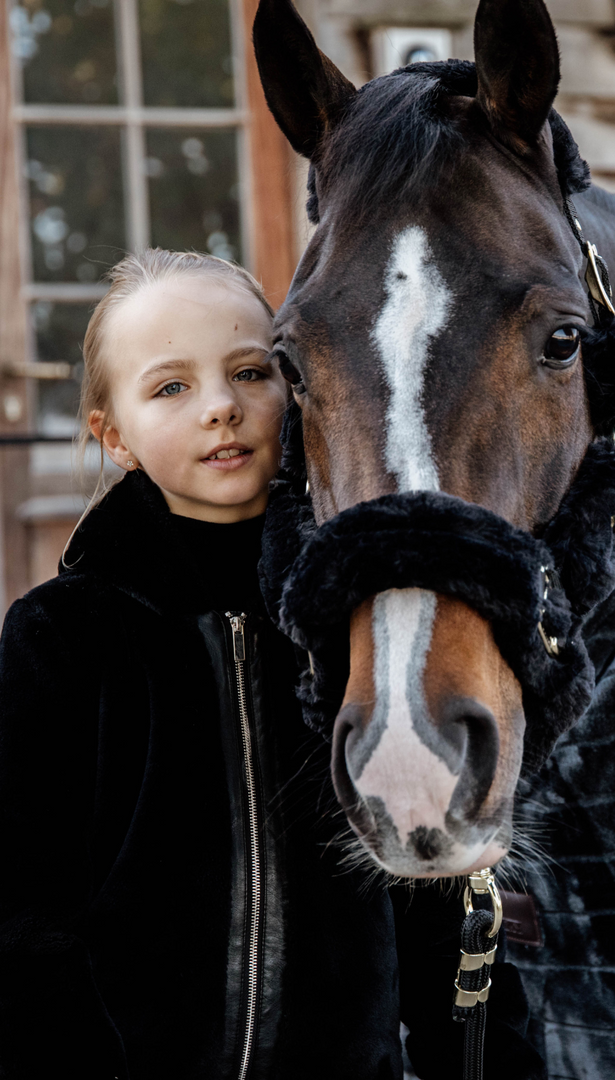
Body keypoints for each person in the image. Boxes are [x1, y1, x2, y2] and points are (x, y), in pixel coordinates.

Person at [0, 251, 401, 1079]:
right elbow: (20, 908)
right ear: (115, 435)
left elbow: (431, 895)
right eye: (171, 387)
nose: (222, 408)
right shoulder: (59, 637)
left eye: (251, 371)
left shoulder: (360, 619)